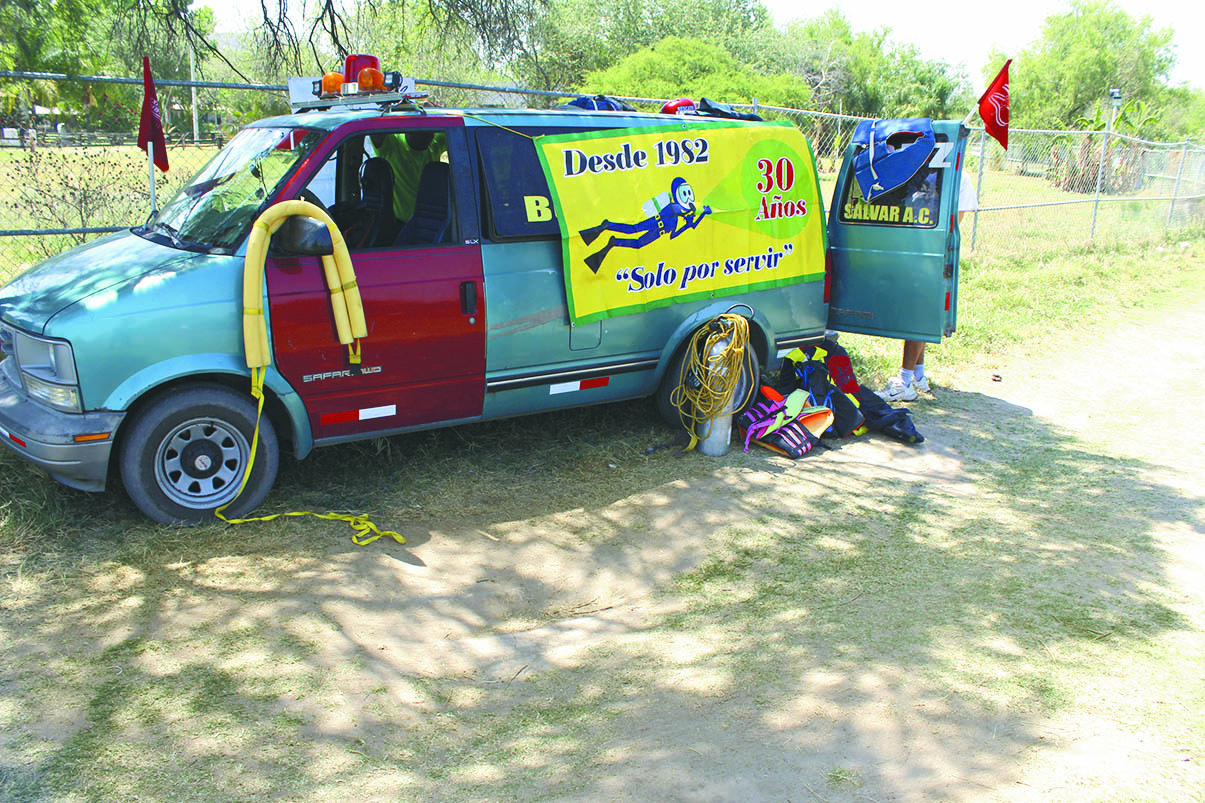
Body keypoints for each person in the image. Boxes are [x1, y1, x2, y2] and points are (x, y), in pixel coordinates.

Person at [877, 168, 978, 402]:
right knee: (918, 314)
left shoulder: (958, 176)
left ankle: (904, 382)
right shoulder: (914, 170)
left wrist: (931, 246)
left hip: (930, 251)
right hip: (911, 246)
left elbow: (956, 220)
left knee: (918, 316)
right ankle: (917, 376)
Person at [369, 130, 447, 222]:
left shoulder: (435, 142)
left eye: (430, 130)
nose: (430, 136)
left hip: (430, 220)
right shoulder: (392, 144)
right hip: (399, 223)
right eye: (421, 130)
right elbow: (375, 130)